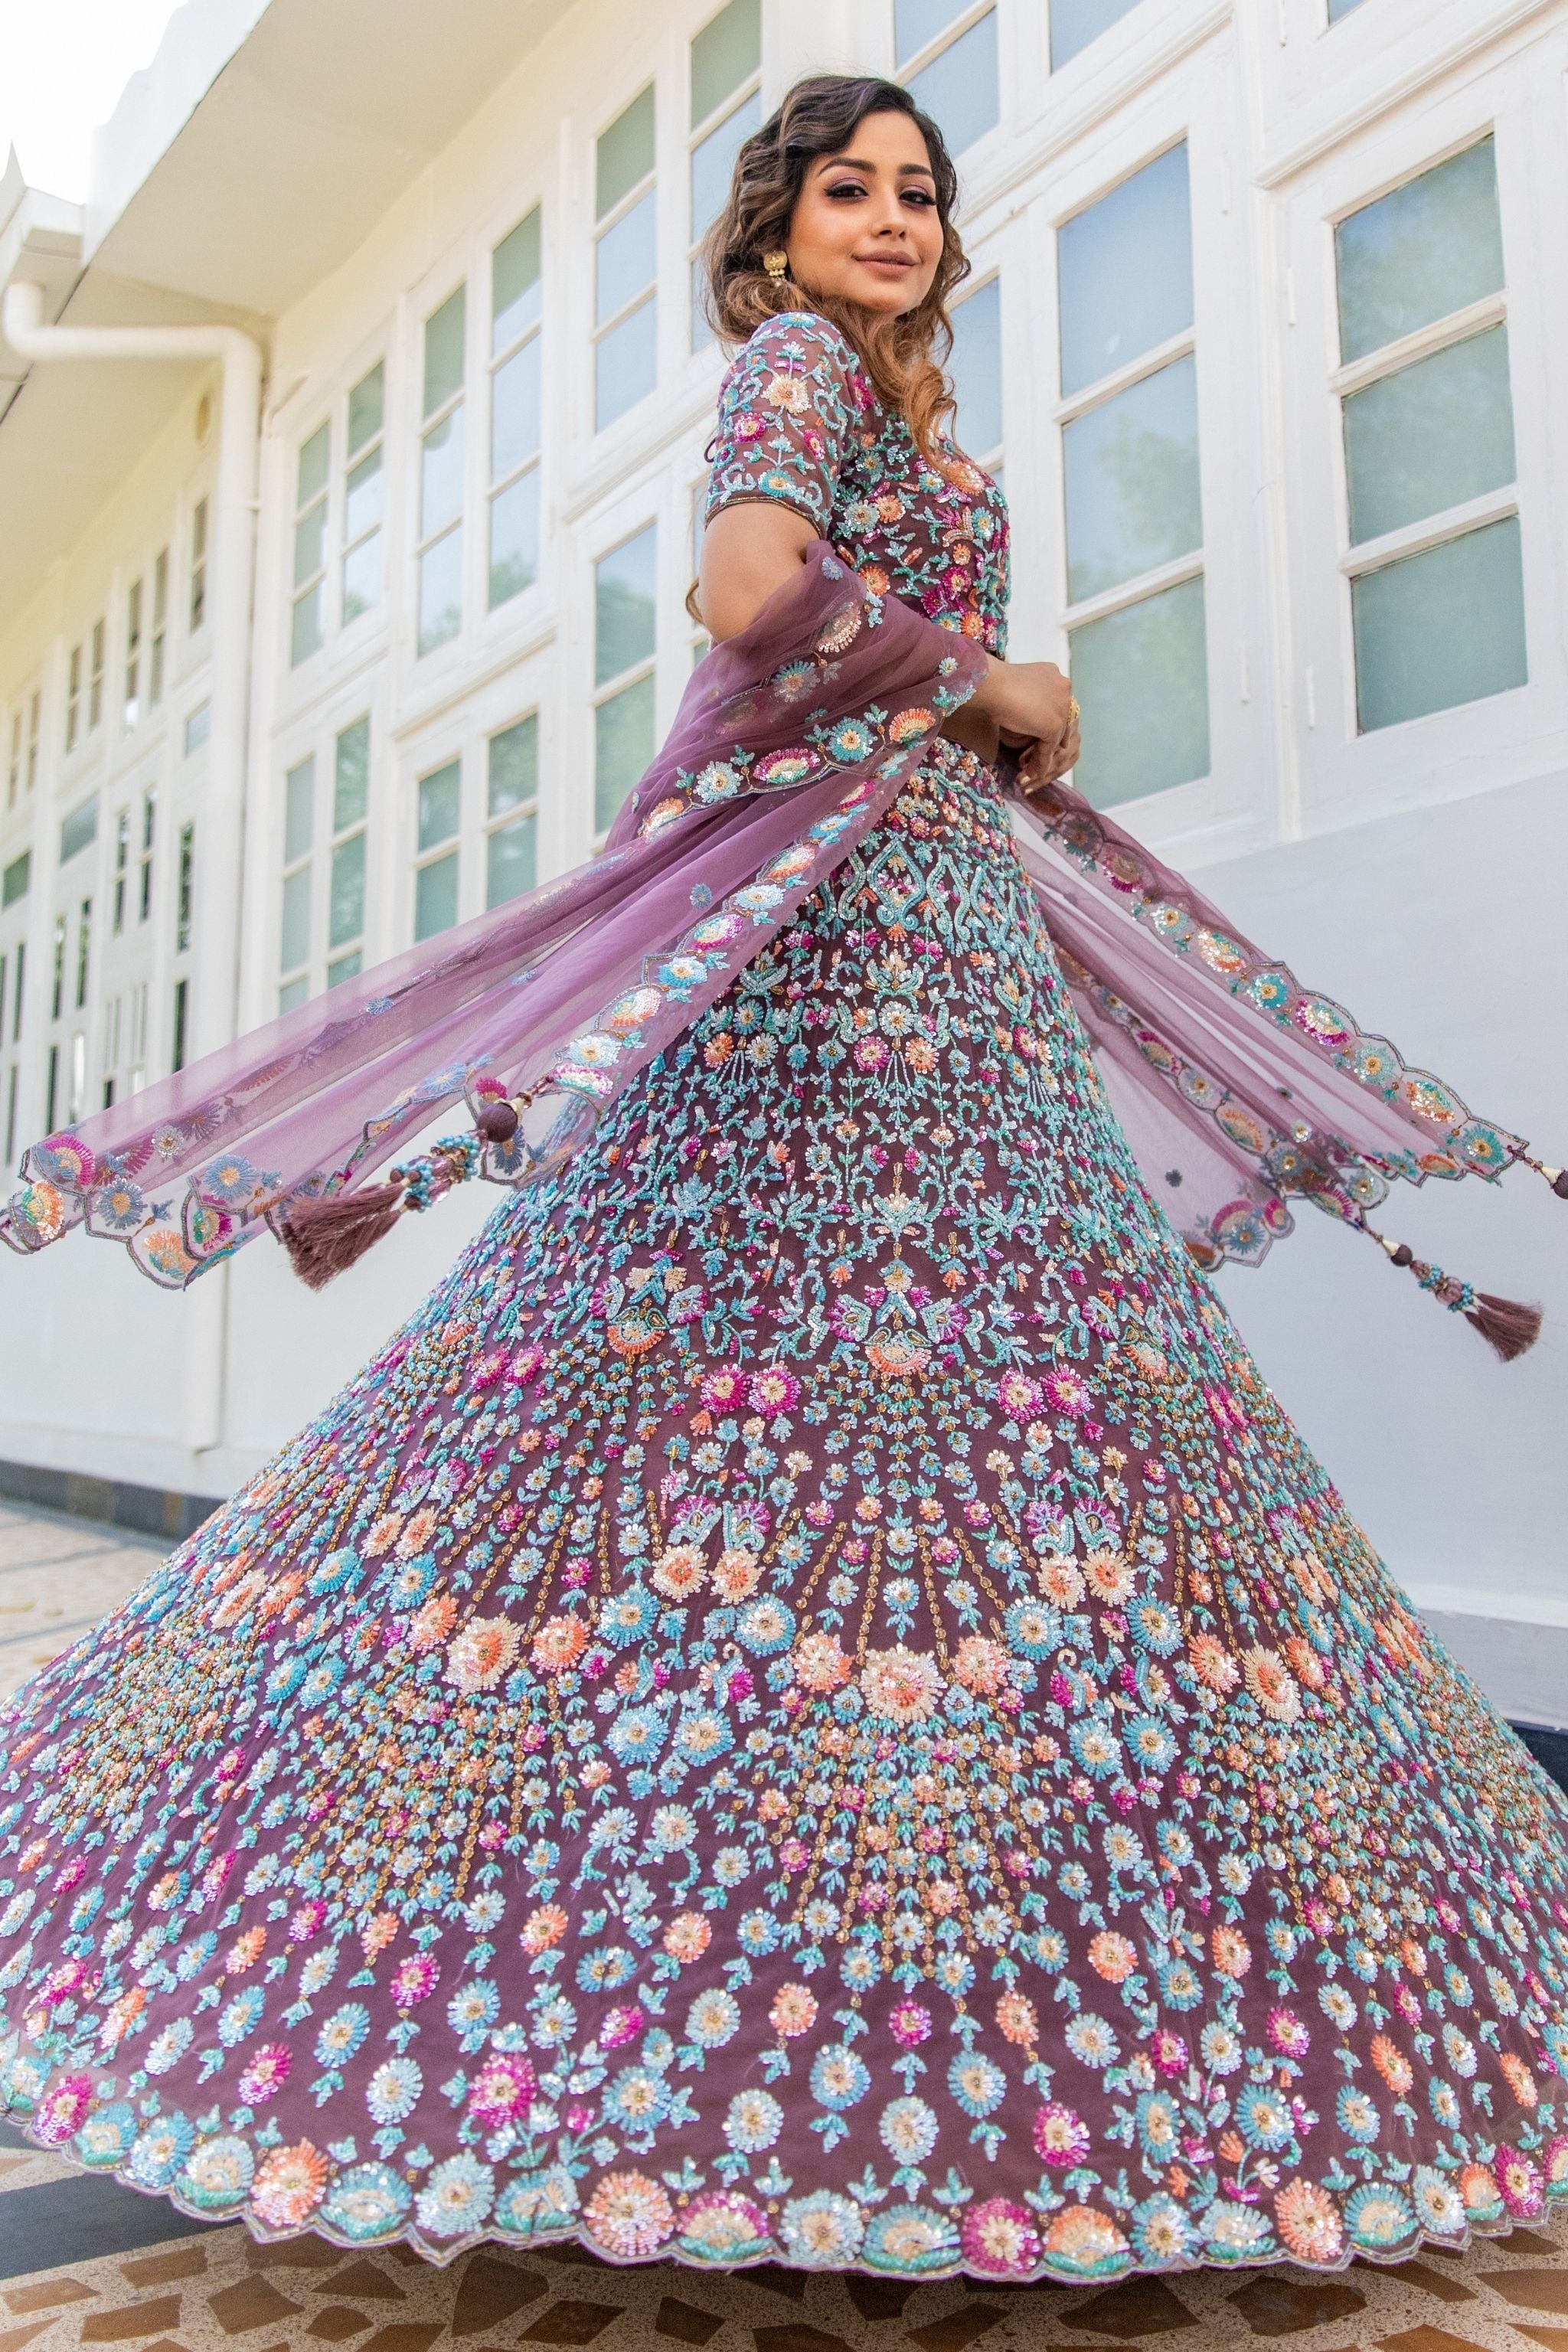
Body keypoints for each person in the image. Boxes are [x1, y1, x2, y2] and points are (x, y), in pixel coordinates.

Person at [0, 73, 1564, 2287]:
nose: (898, 218)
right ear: (775, 227)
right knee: (754, 1405)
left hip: (933, 938)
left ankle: (954, 1985)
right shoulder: (795, 368)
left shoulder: (920, 421)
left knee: (928, 1423)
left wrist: (995, 722)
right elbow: (751, 591)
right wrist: (987, 677)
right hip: (833, 963)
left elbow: (863, 658)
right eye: (853, 186)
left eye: (924, 192)